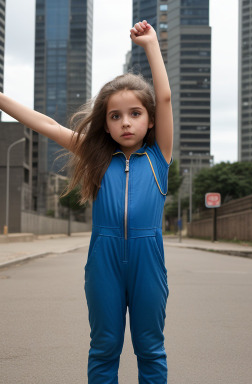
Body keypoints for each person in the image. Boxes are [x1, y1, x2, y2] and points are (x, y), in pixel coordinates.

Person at [0, 20, 173, 383]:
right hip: (103, 261)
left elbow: (165, 97)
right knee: (104, 345)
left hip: (148, 261)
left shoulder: (159, 156)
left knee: (150, 347)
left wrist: (152, 46)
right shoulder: (96, 155)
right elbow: (45, 124)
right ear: (105, 124)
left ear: (151, 120)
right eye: (115, 116)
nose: (125, 123)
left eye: (135, 114)